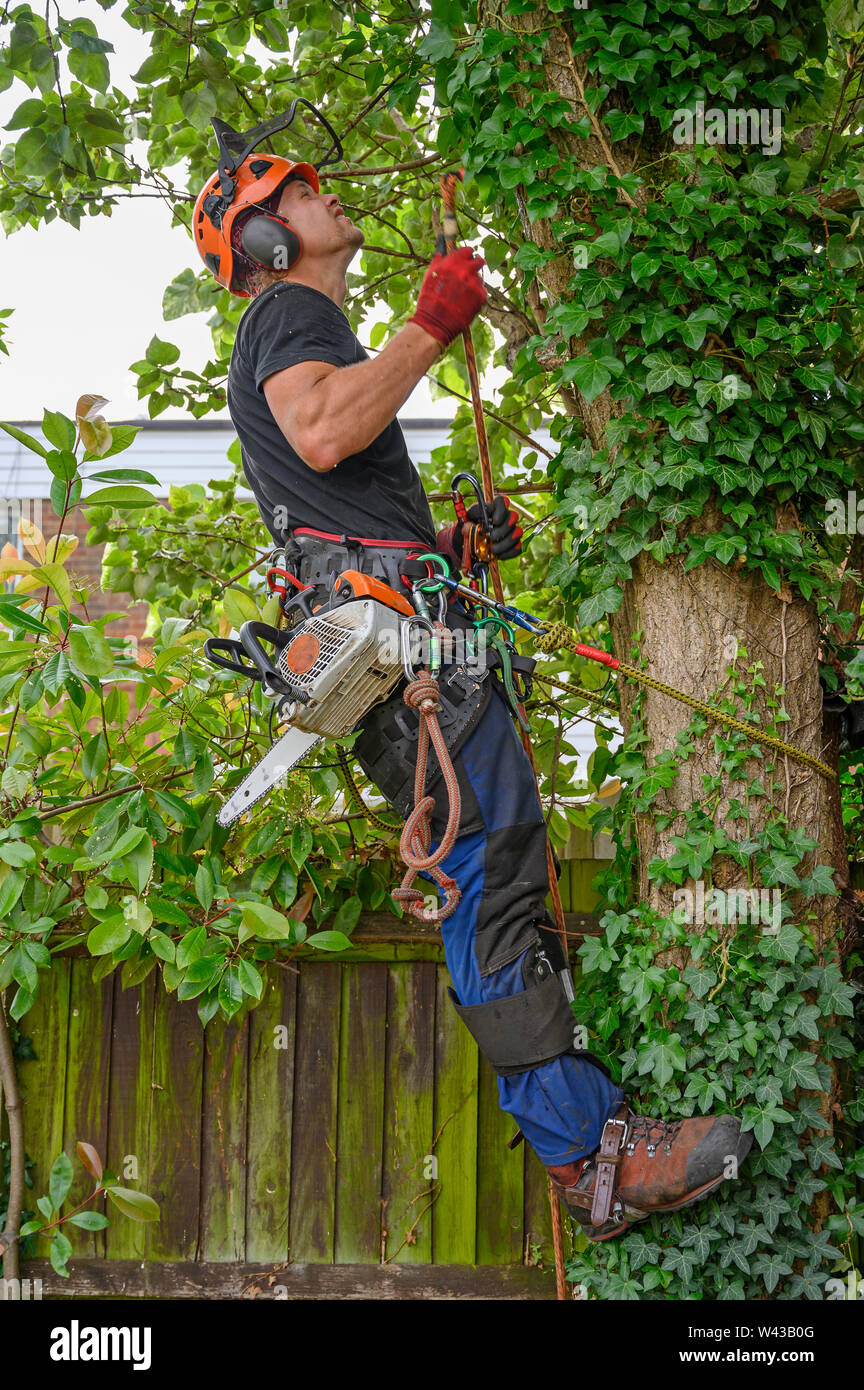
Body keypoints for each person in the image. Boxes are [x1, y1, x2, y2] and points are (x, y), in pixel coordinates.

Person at [193, 147, 752, 1240]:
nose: (329, 194)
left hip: (412, 635)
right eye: (302, 194)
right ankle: (587, 1150)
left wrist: (451, 544)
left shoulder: (306, 334)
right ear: (263, 241)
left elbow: (329, 487)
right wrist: (434, 322)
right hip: (409, 666)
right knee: (489, 867)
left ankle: (583, 1141)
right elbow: (322, 429)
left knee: (500, 861)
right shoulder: (286, 321)